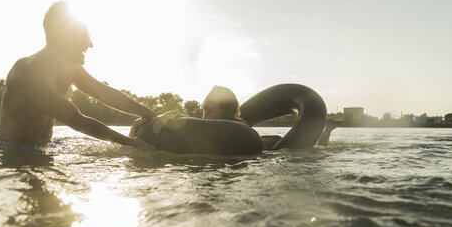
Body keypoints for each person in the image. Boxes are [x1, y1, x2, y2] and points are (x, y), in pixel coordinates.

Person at [0, 1, 157, 148]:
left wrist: (151, 115)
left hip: (44, 147)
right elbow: (76, 119)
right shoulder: (28, 72)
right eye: (84, 36)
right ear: (64, 36)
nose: (90, 44)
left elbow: (105, 92)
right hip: (11, 151)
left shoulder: (70, 68)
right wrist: (132, 144)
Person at [134, 85, 342, 149]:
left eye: (209, 106)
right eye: (202, 105)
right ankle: (328, 129)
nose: (203, 108)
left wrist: (173, 113)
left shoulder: (238, 131)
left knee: (315, 149)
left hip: (273, 148)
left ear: (224, 112)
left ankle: (327, 130)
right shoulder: (201, 130)